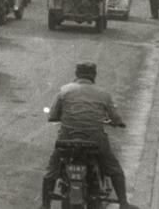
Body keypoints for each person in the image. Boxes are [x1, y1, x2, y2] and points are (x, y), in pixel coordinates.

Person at [41, 62, 135, 209]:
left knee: (52, 169)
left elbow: (53, 115)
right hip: (95, 141)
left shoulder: (64, 91)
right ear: (94, 75)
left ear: (77, 74)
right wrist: (118, 123)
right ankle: (123, 203)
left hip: (67, 140)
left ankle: (45, 204)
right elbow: (115, 118)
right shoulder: (103, 94)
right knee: (113, 168)